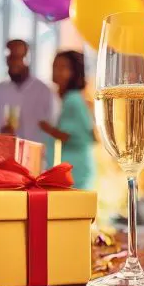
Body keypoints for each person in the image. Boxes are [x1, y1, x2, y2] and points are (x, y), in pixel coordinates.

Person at [40, 51, 96, 189]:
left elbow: (67, 135)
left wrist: (46, 127)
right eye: (55, 66)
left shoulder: (73, 99)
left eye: (63, 67)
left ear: (74, 72)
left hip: (75, 169)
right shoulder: (69, 98)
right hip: (75, 166)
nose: (56, 71)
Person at [0, 39, 53, 143]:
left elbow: (53, 129)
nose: (15, 62)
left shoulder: (44, 92)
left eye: (20, 57)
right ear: (6, 59)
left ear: (28, 58)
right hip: (3, 155)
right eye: (11, 57)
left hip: (37, 156)